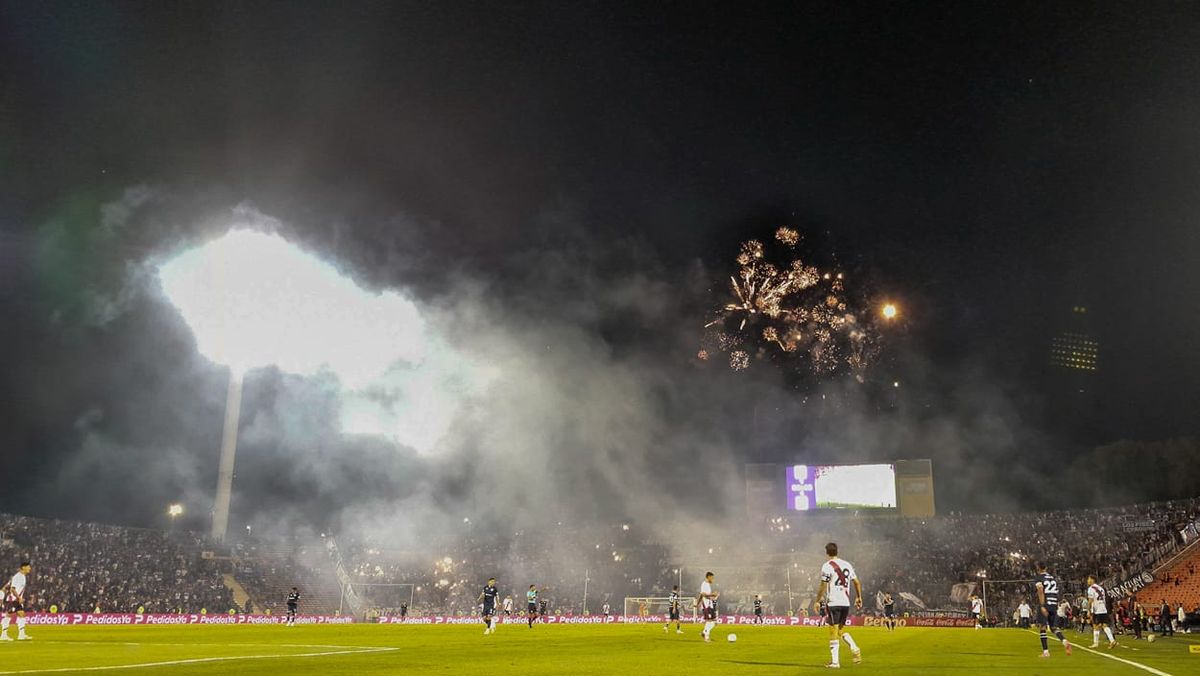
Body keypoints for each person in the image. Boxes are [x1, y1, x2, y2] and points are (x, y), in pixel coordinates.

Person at [813, 542, 863, 668]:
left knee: (832, 631)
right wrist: (858, 597)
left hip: (834, 601)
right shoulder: (847, 564)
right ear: (837, 551)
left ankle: (835, 662)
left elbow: (823, 585)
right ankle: (854, 646)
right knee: (840, 630)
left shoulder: (827, 566)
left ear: (826, 552)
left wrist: (817, 600)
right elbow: (857, 582)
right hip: (845, 602)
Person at [1033, 563, 1071, 658]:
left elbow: (1040, 590)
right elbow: (1056, 591)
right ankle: (1064, 641)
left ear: (1038, 568)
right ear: (1046, 567)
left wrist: (1042, 605)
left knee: (1043, 627)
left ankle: (1046, 652)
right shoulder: (1052, 578)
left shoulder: (1039, 577)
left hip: (1046, 603)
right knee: (1053, 627)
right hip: (1054, 603)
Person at [0, 562, 32, 641]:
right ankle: (3, 635)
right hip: (13, 599)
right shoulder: (18, 577)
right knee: (8, 615)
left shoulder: (22, 576)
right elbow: (12, 589)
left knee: (21, 614)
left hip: (17, 600)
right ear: (23, 567)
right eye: (28, 567)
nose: (30, 568)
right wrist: (19, 598)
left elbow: (8, 586)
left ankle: (21, 635)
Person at [1086, 576, 1117, 648]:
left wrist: (1088, 610)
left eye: (1089, 579)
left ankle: (1095, 643)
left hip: (1097, 610)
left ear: (1092, 580)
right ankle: (1112, 640)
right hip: (1103, 608)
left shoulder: (1091, 589)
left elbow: (1090, 601)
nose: (1088, 580)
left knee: (1095, 626)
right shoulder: (1101, 588)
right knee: (1104, 625)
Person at [698, 571, 719, 642]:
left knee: (713, 623)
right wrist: (713, 594)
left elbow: (702, 595)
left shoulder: (708, 585)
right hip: (706, 605)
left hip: (710, 605)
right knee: (709, 621)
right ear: (708, 577)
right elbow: (703, 594)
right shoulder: (704, 584)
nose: (712, 579)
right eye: (712, 578)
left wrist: (713, 597)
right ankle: (706, 638)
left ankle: (704, 633)